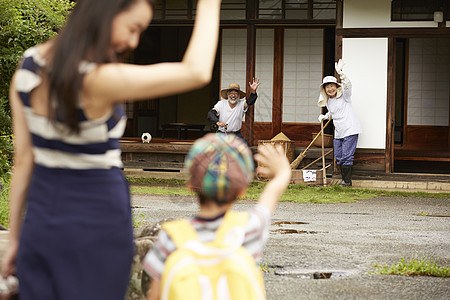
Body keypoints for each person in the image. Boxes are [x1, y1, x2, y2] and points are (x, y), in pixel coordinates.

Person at [2, 0, 222, 298]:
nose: (133, 41)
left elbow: (24, 161)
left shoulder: (28, 68)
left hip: (41, 215)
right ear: (105, 13)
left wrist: (16, 236)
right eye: (133, 28)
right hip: (97, 216)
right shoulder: (97, 79)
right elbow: (195, 71)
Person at [142, 133, 291, 299]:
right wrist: (283, 172)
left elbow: (154, 295)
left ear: (191, 186)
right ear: (242, 191)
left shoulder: (170, 237)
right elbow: (272, 193)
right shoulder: (248, 230)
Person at [318, 59, 362, 187]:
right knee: (338, 155)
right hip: (339, 131)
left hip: (350, 129)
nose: (330, 89)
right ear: (325, 90)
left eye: (332, 86)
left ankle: (346, 182)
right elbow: (333, 112)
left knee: (347, 155)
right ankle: (344, 180)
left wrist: (341, 74)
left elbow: (348, 86)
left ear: (336, 87)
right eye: (327, 87)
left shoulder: (344, 97)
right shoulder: (329, 101)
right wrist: (325, 116)